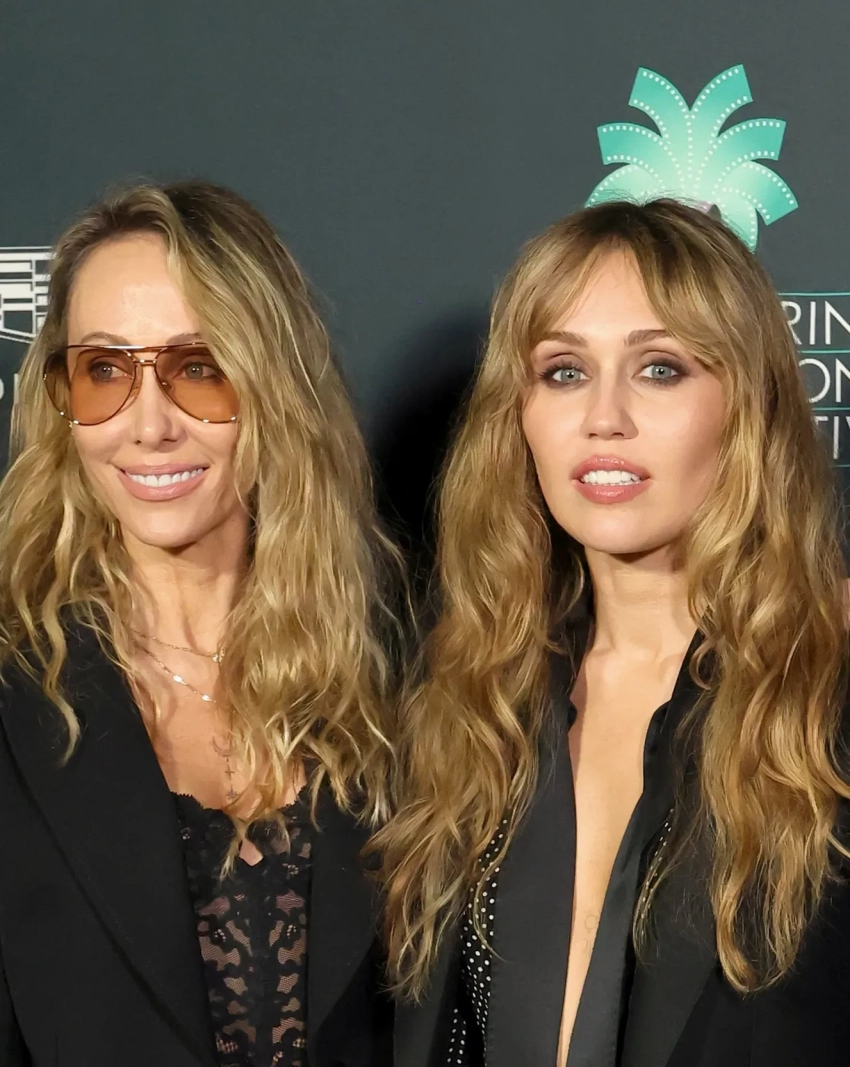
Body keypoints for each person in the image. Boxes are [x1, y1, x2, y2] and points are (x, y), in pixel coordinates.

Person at [378, 199, 850, 1067]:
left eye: (660, 369)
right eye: (563, 372)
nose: (604, 416)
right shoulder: (463, 700)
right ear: (517, 414)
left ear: (749, 406)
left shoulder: (828, 700)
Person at [0, 181, 398, 1067]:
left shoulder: (396, 678)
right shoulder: (14, 693)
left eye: (198, 368)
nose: (148, 426)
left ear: (272, 384)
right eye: (104, 372)